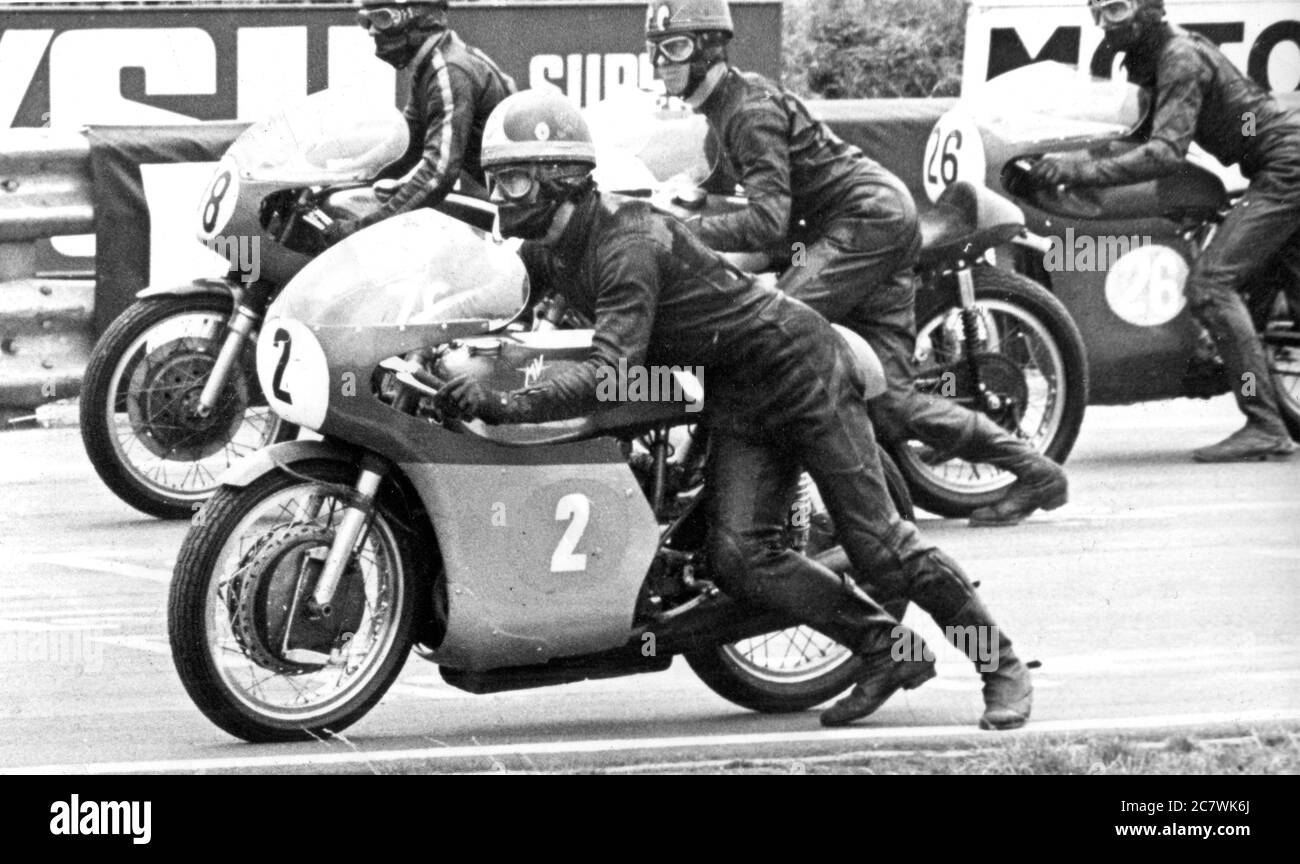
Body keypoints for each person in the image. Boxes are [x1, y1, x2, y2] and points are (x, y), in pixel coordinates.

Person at [432, 89, 1034, 729]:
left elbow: (613, 371)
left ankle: (1000, 666)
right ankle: (888, 649)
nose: (501, 196)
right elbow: (489, 302)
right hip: (738, 389)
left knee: (881, 545)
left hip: (802, 370)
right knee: (742, 558)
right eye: (497, 179)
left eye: (515, 178)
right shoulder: (550, 247)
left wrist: (506, 402)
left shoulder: (627, 242)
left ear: (562, 177)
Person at [642, 0, 1068, 526]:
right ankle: (1037, 471)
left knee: (770, 331)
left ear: (709, 48)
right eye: (655, 48)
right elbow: (729, 184)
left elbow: (768, 222)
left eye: (675, 47)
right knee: (889, 400)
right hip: (872, 222)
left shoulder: (747, 111)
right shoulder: (723, 111)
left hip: (864, 223)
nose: (661, 60)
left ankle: (765, 499)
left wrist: (676, 231)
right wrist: (679, 195)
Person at [1028, 0, 1300, 462]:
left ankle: (1264, 424)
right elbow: (1137, 139)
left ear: (1148, 10)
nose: (1104, 23)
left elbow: (1164, 153)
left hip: (1285, 166)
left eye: (1115, 9)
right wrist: (1064, 150)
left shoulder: (1179, 58)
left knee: (1211, 287)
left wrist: (1076, 169)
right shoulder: (1156, 58)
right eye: (1098, 12)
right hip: (1277, 162)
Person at [323, 0, 516, 245]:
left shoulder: (449, 72)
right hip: (505, 194)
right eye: (366, 20)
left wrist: (364, 227)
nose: (371, 30)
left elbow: (438, 173)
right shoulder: (433, 64)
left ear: (419, 17)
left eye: (382, 18)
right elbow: (405, 146)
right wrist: (337, 180)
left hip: (515, 204)